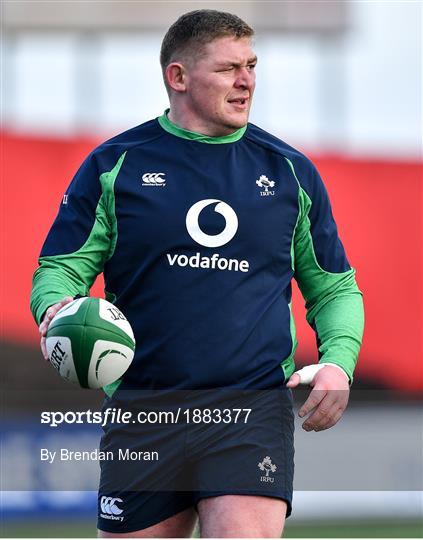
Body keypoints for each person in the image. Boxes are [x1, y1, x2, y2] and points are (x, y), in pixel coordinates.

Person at [30, 9, 364, 538]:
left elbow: (334, 287)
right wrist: (56, 311)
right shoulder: (115, 164)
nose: (248, 81)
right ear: (178, 77)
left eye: (252, 65)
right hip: (144, 411)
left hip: (250, 409)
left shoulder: (289, 172)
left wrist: (338, 363)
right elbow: (61, 268)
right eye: (230, 68)